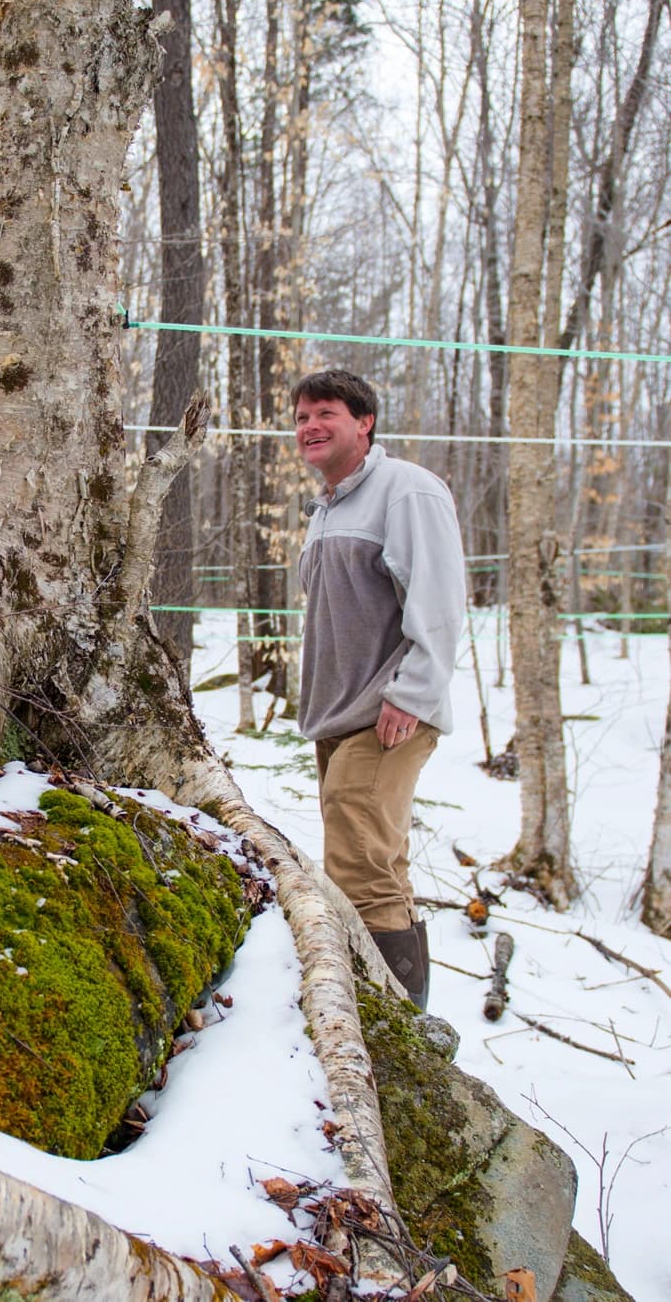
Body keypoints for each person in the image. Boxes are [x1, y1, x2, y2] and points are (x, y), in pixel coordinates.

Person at [292, 369, 465, 1009]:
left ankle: (382, 1019)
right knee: (381, 865)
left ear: (364, 422)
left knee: (359, 872)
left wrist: (412, 693)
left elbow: (440, 599)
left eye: (326, 413)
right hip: (339, 716)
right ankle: (406, 1019)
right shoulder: (330, 507)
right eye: (302, 417)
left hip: (389, 711)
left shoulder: (406, 491)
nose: (310, 426)